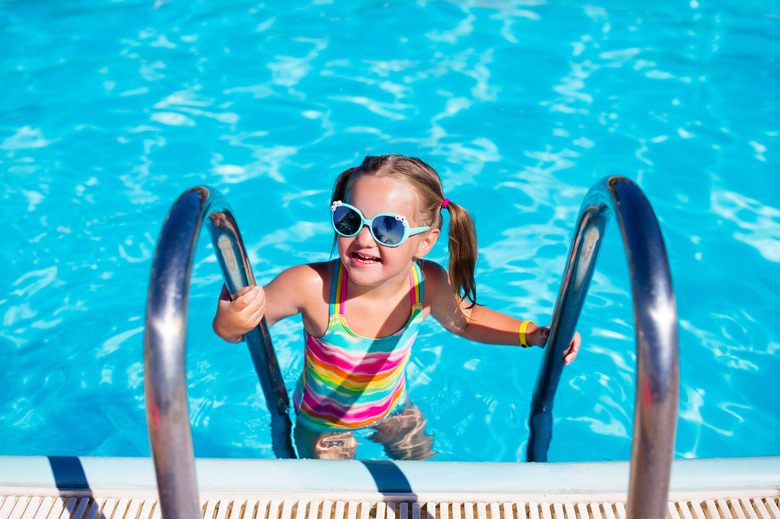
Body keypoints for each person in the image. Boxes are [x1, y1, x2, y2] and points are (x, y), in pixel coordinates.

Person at [212, 154, 581, 460]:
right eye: (349, 220)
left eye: (387, 228)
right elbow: (244, 329)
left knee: (423, 482)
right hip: (324, 423)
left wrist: (532, 334)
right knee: (330, 496)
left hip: (394, 410)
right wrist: (230, 320)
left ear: (424, 243)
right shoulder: (311, 286)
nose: (362, 238)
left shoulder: (427, 284)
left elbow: (465, 322)